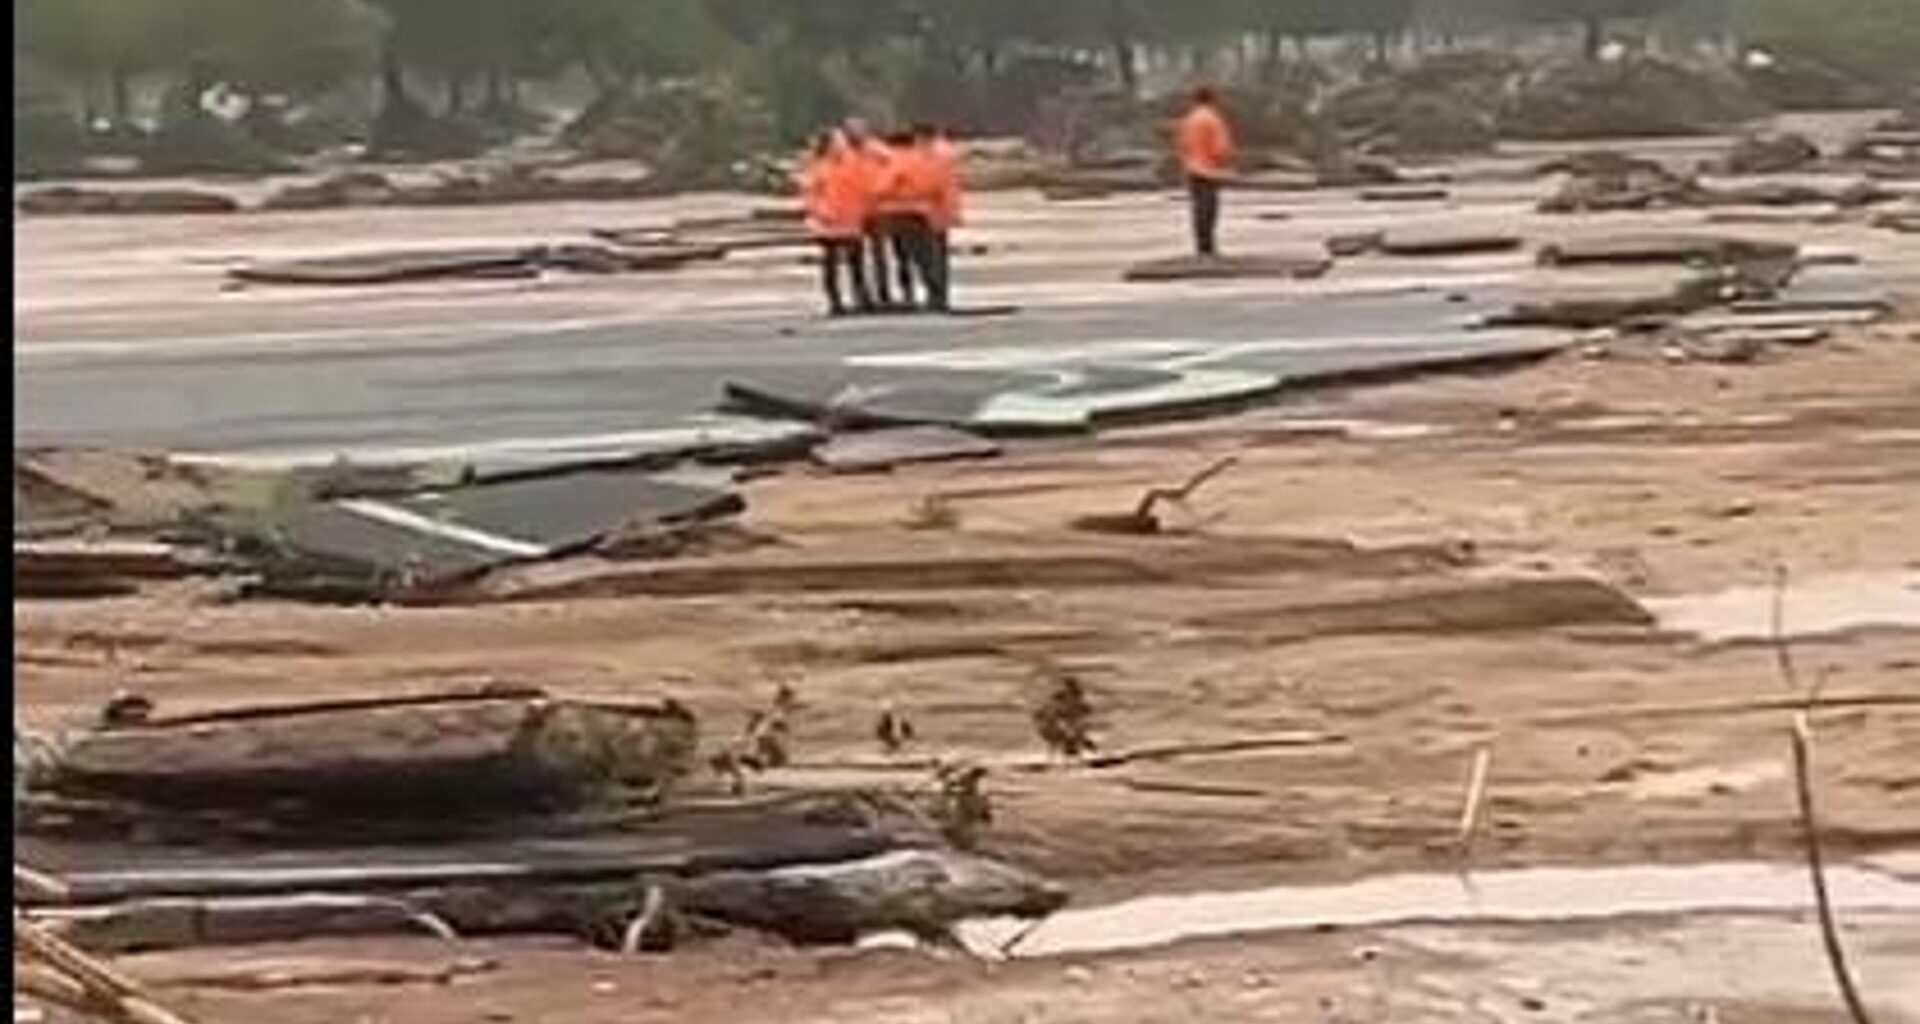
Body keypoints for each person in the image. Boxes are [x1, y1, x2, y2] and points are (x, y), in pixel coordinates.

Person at [800, 130, 871, 315]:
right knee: (831, 263)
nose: (841, 146)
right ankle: (835, 301)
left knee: (857, 262)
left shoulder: (853, 163)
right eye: (837, 142)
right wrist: (817, 212)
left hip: (852, 221)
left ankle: (861, 297)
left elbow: (865, 185)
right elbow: (809, 194)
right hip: (829, 221)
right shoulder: (818, 167)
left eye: (843, 142)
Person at [843, 120, 902, 309]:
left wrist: (882, 188)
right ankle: (861, 295)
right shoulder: (841, 153)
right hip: (851, 212)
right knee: (855, 256)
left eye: (857, 131)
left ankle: (884, 293)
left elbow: (897, 169)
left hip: (877, 209)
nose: (854, 135)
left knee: (880, 254)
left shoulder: (878, 151)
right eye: (850, 131)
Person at [1174, 87, 1237, 258]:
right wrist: (1226, 163)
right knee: (1209, 210)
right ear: (1212, 100)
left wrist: (1185, 162)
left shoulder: (1189, 120)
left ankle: (1201, 247)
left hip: (1192, 170)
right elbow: (1221, 149)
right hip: (1209, 171)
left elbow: (1181, 145)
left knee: (1198, 210)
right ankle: (1209, 248)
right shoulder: (1213, 120)